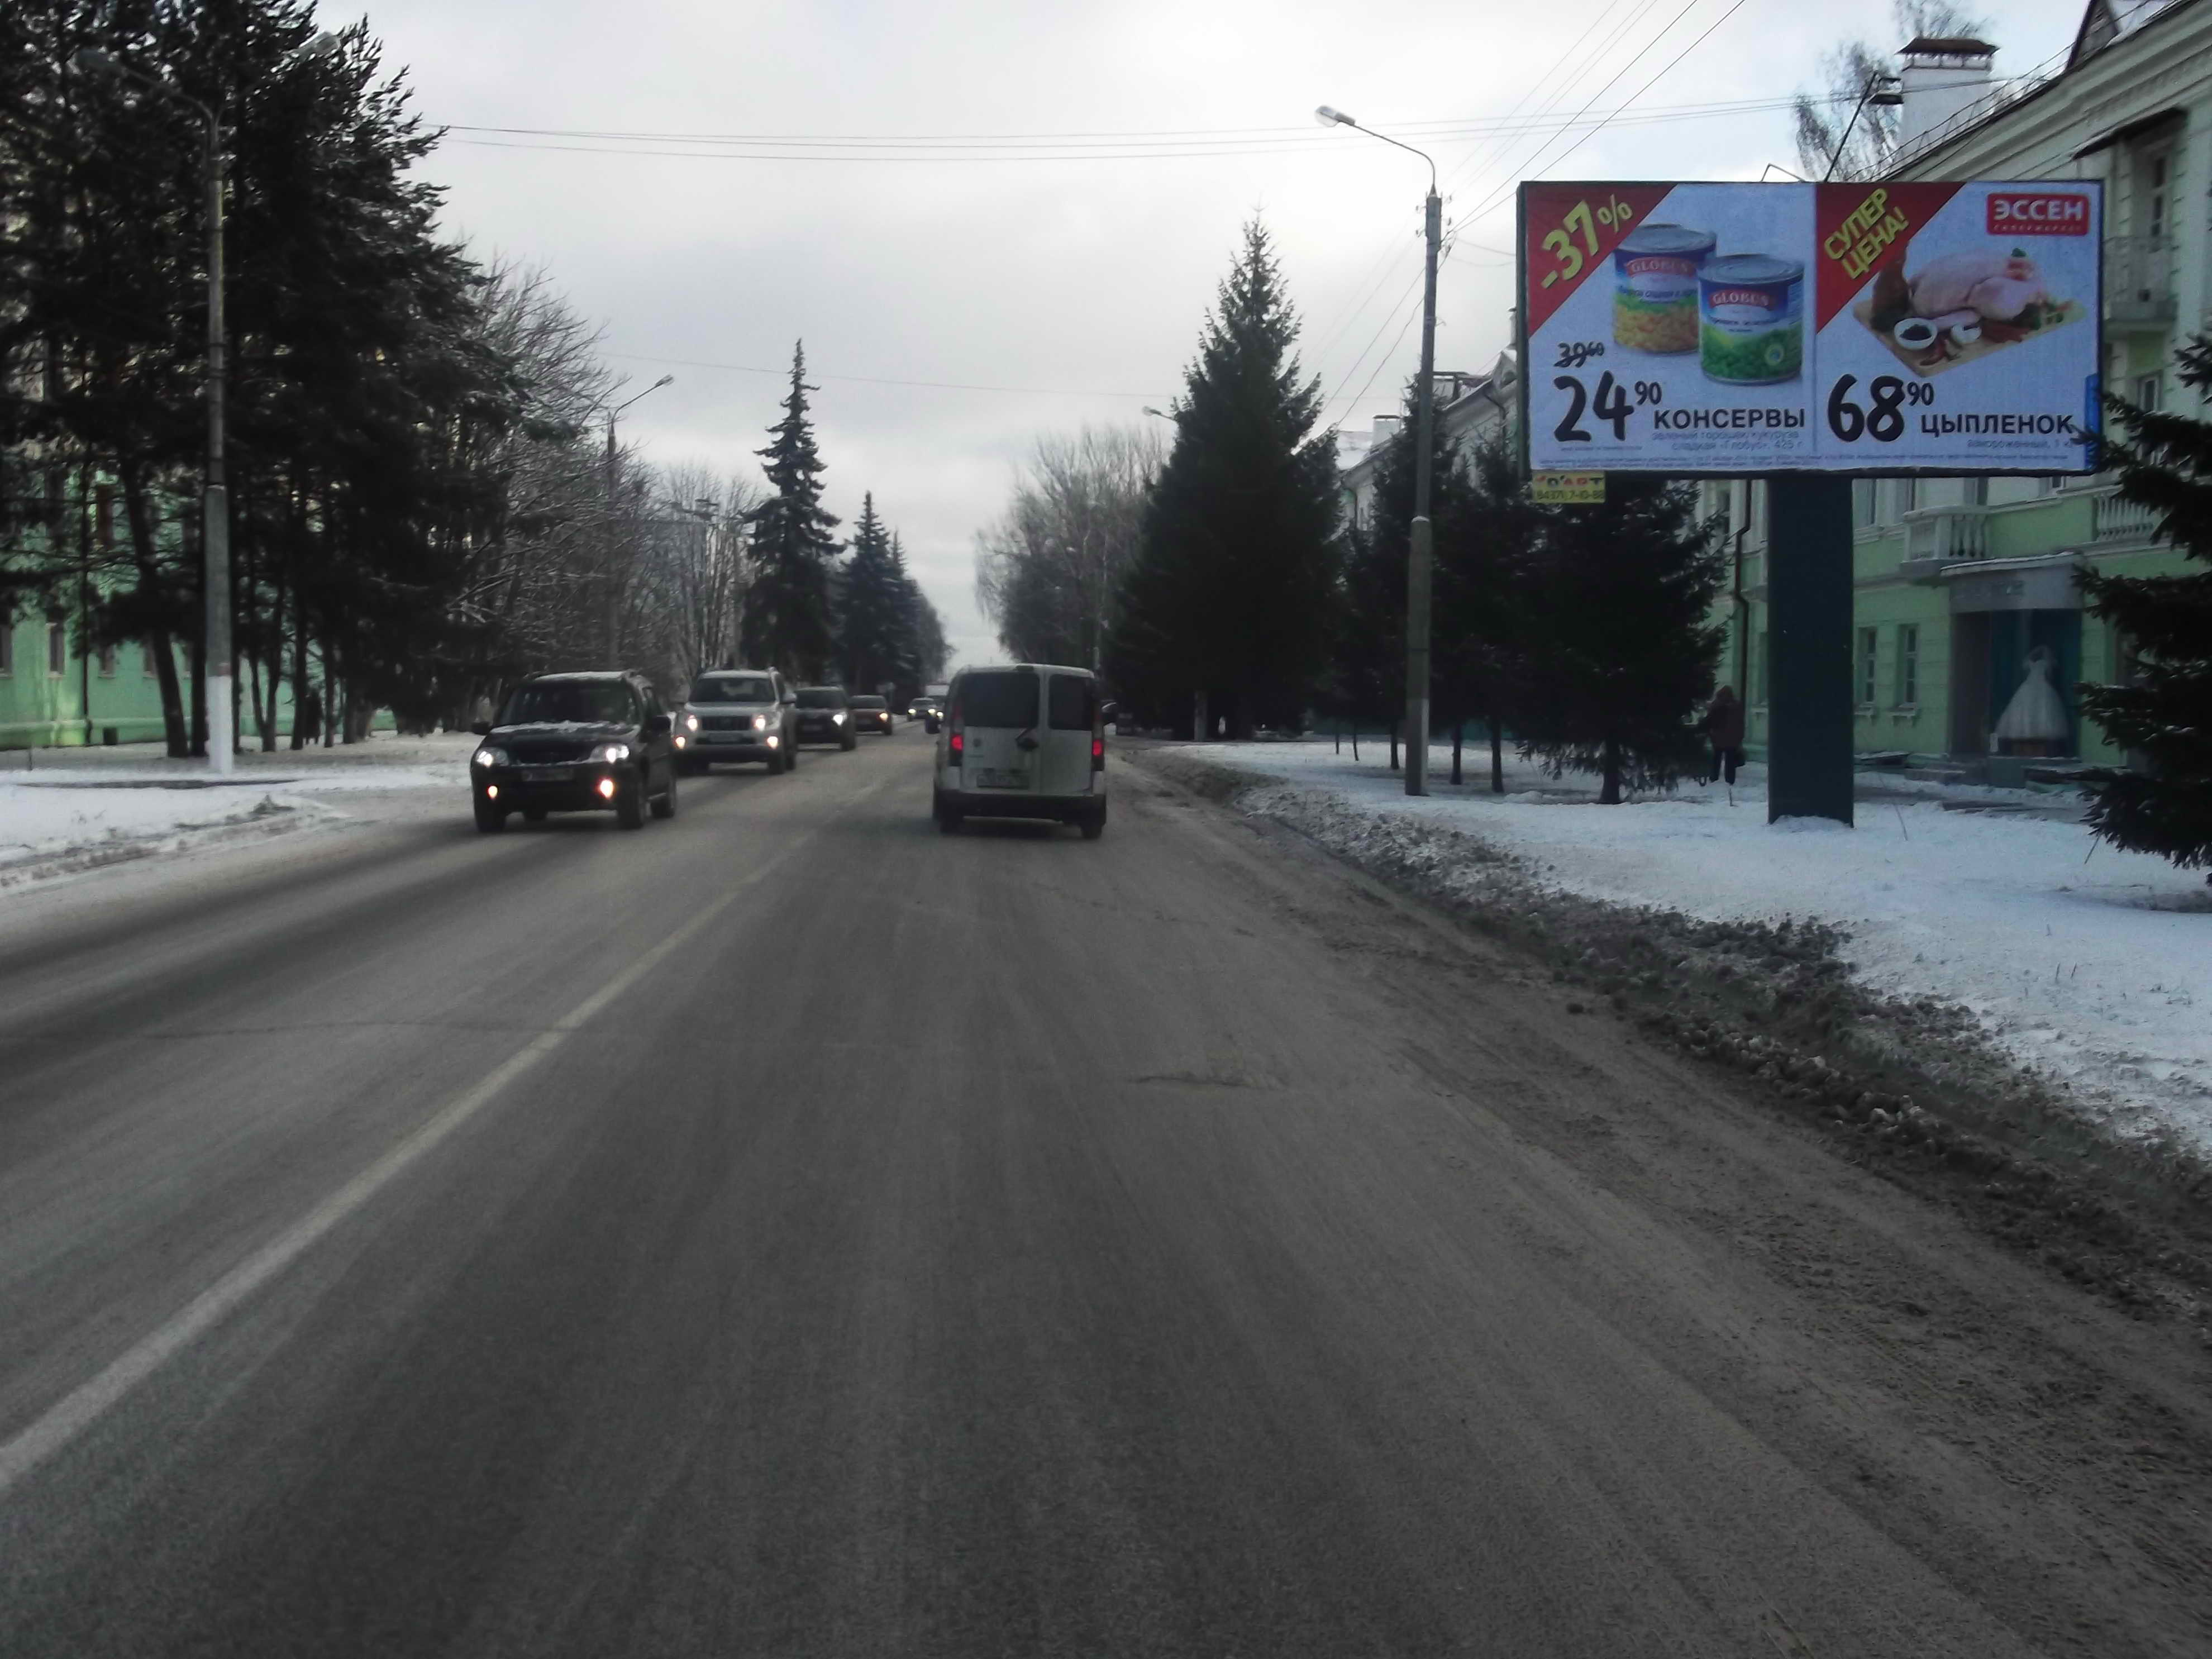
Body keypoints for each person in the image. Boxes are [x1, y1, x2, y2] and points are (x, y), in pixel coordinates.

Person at [1700, 683, 1744, 785]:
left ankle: (1714, 778)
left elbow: (1710, 720)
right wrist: (1740, 737)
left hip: (1717, 738)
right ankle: (1730, 780)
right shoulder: (1736, 707)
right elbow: (1740, 724)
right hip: (1732, 740)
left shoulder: (1716, 705)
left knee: (1716, 759)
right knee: (1730, 761)